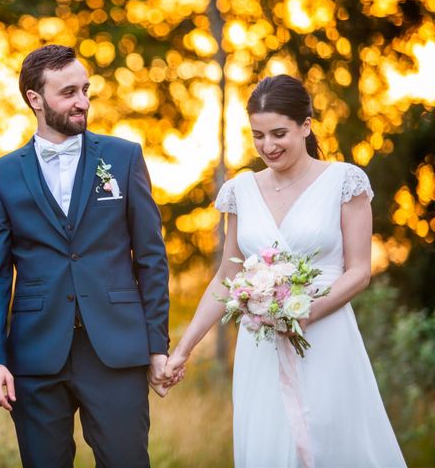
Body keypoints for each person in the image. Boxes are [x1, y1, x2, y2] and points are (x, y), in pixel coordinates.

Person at [164, 74, 406, 467]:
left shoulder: (344, 181)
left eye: (279, 134)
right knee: (267, 445)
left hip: (326, 338)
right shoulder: (241, 191)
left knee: (334, 441)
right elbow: (226, 276)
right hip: (260, 347)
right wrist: (184, 350)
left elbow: (359, 271)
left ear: (306, 125)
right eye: (258, 136)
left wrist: (305, 311)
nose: (268, 146)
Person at [0, 44, 171, 468]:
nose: (82, 102)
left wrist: (158, 346)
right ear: (35, 99)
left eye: (85, 90)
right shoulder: (1, 175)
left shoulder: (123, 157)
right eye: (68, 93)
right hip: (36, 356)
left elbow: (151, 257)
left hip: (116, 349)